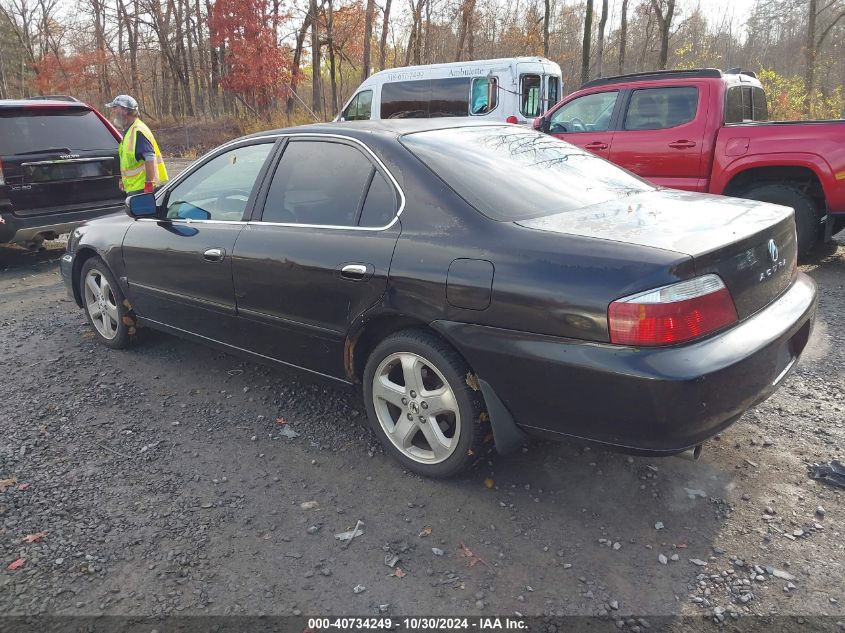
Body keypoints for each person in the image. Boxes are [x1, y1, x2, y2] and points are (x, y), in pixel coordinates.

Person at [105, 95, 168, 195]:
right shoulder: (130, 130)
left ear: (125, 111)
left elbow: (149, 158)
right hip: (135, 188)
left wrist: (149, 184)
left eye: (115, 108)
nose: (112, 112)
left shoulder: (138, 130)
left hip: (142, 189)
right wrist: (123, 179)